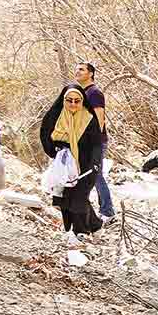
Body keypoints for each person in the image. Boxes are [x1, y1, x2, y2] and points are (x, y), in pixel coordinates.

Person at [38, 84, 103, 244]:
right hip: (63, 163)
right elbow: (45, 134)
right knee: (64, 197)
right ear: (63, 100)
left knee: (79, 196)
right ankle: (94, 225)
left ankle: (81, 231)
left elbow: (96, 144)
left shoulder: (89, 118)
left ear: (82, 102)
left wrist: (95, 163)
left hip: (86, 164)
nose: (73, 104)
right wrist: (53, 151)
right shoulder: (55, 116)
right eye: (69, 101)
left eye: (77, 101)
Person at [73, 62, 114, 224]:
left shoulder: (94, 93)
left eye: (81, 69)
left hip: (95, 142)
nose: (77, 71)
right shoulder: (83, 93)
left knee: (96, 176)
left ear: (90, 74)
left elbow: (99, 119)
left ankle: (108, 212)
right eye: (76, 69)